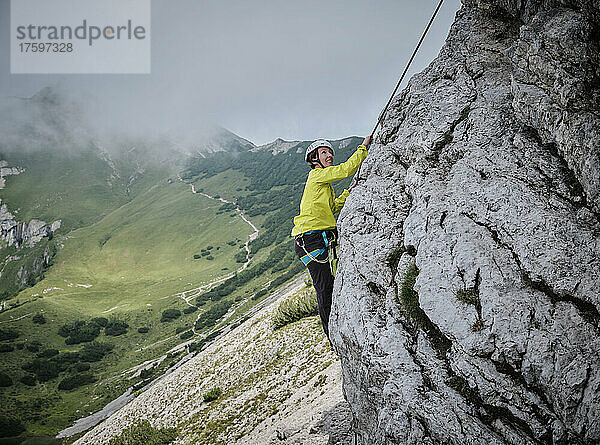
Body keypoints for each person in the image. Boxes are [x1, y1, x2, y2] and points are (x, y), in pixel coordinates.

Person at [291, 136, 371, 344]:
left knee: (330, 285)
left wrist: (348, 193)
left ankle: (336, 328)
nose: (330, 155)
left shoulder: (323, 184)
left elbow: (332, 208)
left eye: (330, 152)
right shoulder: (317, 175)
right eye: (324, 152)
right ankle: (332, 337)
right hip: (311, 240)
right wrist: (363, 148)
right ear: (314, 159)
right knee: (325, 288)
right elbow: (345, 170)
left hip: (316, 238)